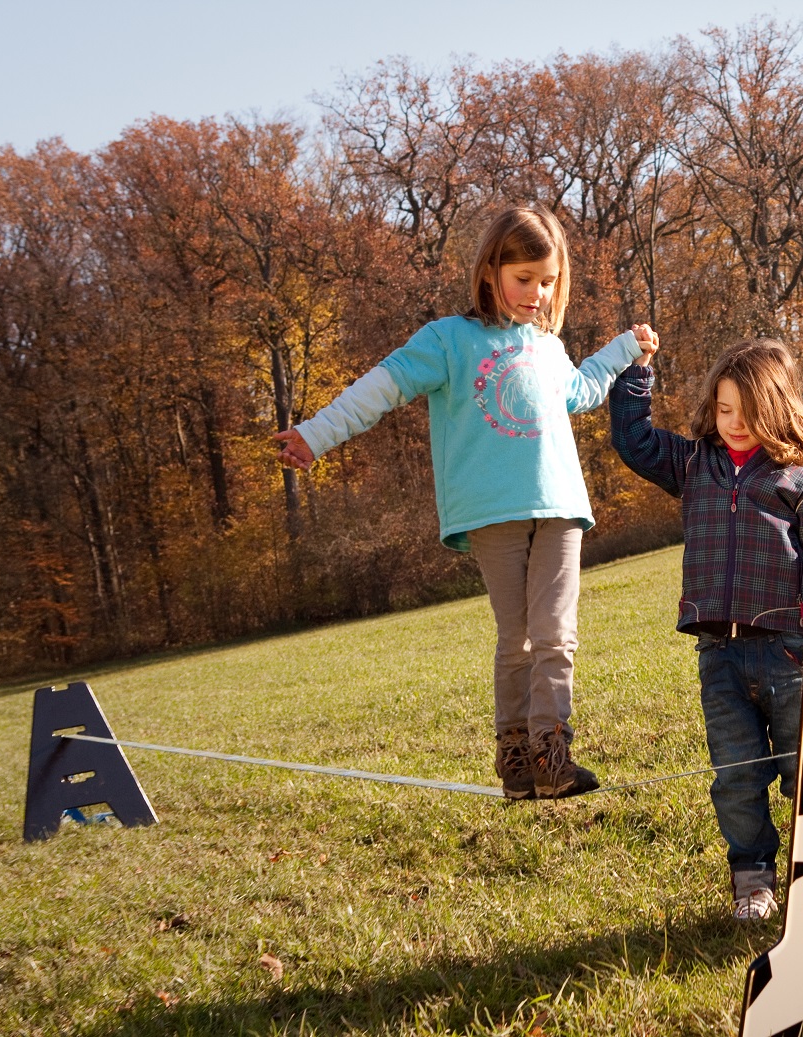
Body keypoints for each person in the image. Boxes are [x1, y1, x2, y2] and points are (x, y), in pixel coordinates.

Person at [272, 205, 658, 800]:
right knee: (519, 640)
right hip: (490, 512)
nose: (537, 292)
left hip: (559, 506)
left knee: (556, 635)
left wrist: (621, 350)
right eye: (523, 278)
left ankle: (553, 754)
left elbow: (580, 392)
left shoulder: (548, 347)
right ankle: (516, 760)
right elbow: (382, 387)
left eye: (548, 280)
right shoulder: (448, 340)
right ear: (489, 272)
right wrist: (315, 435)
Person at [609, 338, 803, 920]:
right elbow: (633, 441)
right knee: (736, 779)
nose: (734, 425)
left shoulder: (799, 478)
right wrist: (636, 373)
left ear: (779, 412)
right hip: (720, 655)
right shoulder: (695, 465)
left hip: (791, 656)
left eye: (748, 414)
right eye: (724, 411)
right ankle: (753, 882)